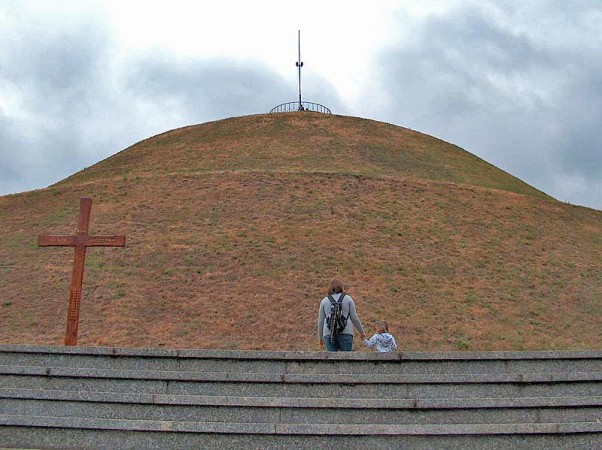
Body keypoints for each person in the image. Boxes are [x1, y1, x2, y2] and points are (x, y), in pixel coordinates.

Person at [318, 278, 366, 351]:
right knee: (346, 359)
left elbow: (321, 321)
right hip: (346, 332)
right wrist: (362, 332)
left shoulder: (324, 301)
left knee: (331, 360)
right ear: (341, 287)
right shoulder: (348, 299)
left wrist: (321, 337)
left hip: (328, 333)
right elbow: (354, 318)